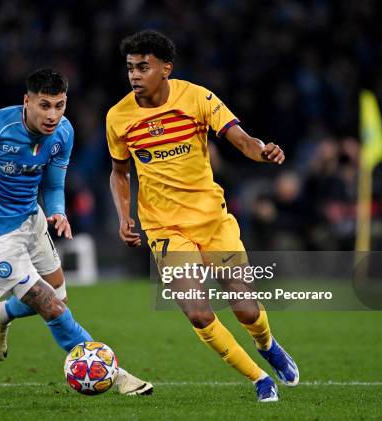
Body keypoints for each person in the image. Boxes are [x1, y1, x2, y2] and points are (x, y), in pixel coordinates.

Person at [0, 68, 153, 395]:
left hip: (32, 221)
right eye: (44, 106)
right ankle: (114, 374)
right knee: (52, 306)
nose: (52, 115)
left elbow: (54, 183)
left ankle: (0, 313)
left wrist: (58, 211)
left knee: (57, 296)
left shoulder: (64, 133)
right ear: (27, 101)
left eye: (59, 106)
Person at [106, 31, 298, 402]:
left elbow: (241, 139)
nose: (134, 75)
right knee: (197, 312)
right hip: (164, 228)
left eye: (143, 67)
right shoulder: (118, 117)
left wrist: (263, 152)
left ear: (165, 69)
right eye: (130, 68)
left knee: (244, 307)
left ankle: (268, 345)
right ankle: (260, 379)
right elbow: (119, 172)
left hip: (212, 219)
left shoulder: (196, 97)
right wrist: (123, 216)